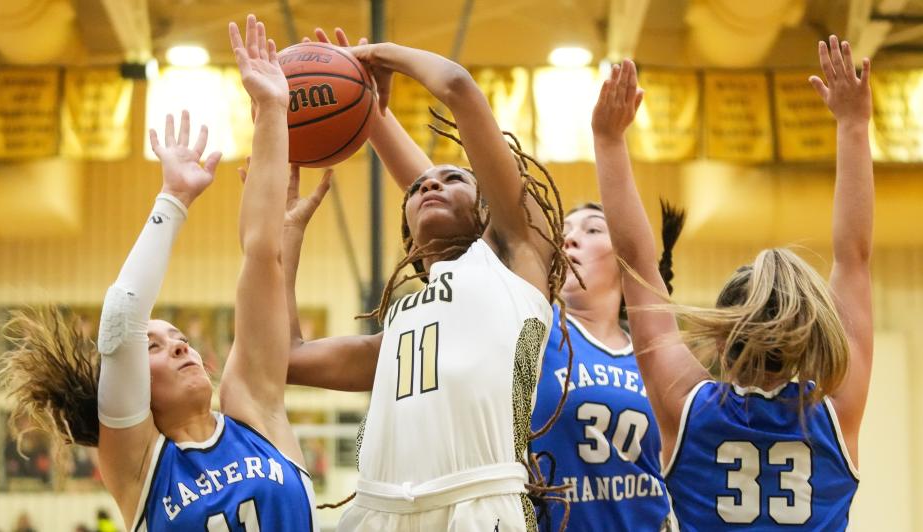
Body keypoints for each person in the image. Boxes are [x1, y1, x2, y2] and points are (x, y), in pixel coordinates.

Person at [0, 14, 326, 530]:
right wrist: (173, 198)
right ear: (129, 388)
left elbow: (263, 255)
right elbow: (123, 314)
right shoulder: (137, 464)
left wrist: (271, 110)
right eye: (154, 346)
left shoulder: (255, 407)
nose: (180, 346)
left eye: (178, 340)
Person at [283, 28, 573, 531]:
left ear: (487, 209)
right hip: (380, 509)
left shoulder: (512, 260)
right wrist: (286, 235)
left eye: (453, 178)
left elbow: (458, 87)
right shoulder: (396, 331)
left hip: (480, 501)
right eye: (417, 188)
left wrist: (374, 57)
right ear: (410, 243)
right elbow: (284, 356)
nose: (431, 183)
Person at [591, 35, 872, 531]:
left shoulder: (689, 407)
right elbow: (854, 258)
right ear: (810, 334)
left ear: (722, 336)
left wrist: (609, 140)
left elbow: (636, 261)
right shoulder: (835, 413)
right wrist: (853, 125)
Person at [528, 201, 682, 531]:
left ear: (627, 256)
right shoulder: (535, 328)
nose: (569, 239)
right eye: (563, 231)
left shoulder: (654, 354)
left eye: (593, 229)